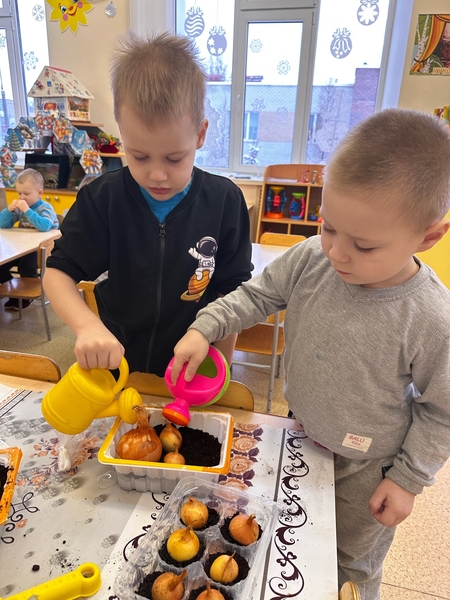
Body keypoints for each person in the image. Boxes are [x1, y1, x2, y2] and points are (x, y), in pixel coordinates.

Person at [170, 109, 450, 600]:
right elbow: (255, 295)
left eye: (363, 245)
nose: (337, 252)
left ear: (428, 236)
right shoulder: (312, 258)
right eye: (329, 226)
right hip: (299, 433)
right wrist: (205, 327)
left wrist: (407, 480)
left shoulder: (431, 316)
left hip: (369, 467)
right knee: (289, 543)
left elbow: (441, 411)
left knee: (350, 562)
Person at [44, 32, 252, 376]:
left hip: (192, 369)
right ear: (122, 132)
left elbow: (234, 293)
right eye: (139, 156)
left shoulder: (224, 201)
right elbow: (57, 274)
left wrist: (222, 369)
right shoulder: (103, 198)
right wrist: (87, 326)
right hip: (118, 366)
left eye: (174, 158)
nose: (157, 175)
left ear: (200, 135)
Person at [0, 168, 59, 310]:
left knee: (26, 265)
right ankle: (15, 293)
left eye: (26, 194)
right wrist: (9, 210)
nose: (22, 197)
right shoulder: (19, 208)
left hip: (40, 250)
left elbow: (44, 226)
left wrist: (27, 210)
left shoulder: (45, 208)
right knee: (1, 265)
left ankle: (26, 297)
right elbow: (3, 224)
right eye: (19, 193)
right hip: (21, 248)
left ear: (40, 193)